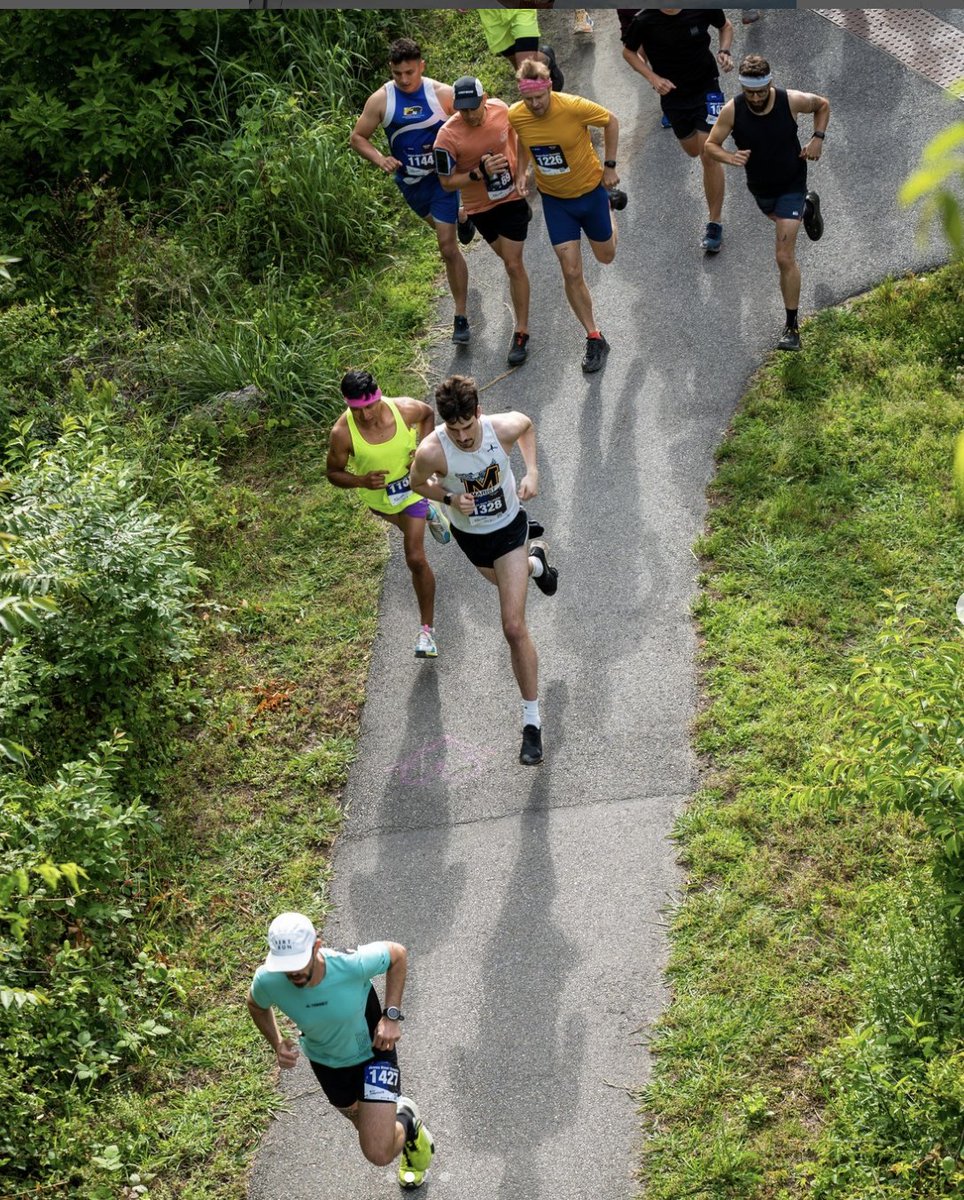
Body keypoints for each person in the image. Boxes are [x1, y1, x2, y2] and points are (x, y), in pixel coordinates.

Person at [409, 374, 558, 766]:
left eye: (467, 426)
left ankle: (531, 724)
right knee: (511, 583)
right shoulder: (432, 450)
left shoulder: (499, 429)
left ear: (478, 412)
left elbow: (526, 424)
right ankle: (535, 563)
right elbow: (415, 481)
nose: (463, 437)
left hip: (509, 529)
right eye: (454, 430)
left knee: (512, 625)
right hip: (472, 539)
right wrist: (449, 497)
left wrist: (532, 472)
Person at [247, 912, 436, 1190]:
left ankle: (406, 1120)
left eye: (298, 964)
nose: (293, 974)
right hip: (328, 1065)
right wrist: (276, 1042)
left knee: (378, 1151)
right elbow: (256, 1005)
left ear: (317, 946)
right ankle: (393, 1124)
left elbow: (398, 955)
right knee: (364, 1125)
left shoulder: (350, 964)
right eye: (285, 967)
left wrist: (391, 1016)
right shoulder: (269, 980)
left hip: (375, 1054)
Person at [704, 53, 829, 350]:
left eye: (761, 91)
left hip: (792, 182)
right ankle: (809, 208)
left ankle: (792, 328)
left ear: (770, 83)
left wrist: (817, 138)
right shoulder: (733, 110)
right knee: (780, 217)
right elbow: (710, 145)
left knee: (784, 257)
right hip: (761, 188)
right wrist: (730, 157)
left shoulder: (791, 101)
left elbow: (822, 105)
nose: (756, 98)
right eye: (750, 92)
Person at [350, 38, 470, 345]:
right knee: (442, 229)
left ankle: (460, 317)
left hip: (442, 182)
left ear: (421, 67)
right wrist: (380, 158)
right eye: (397, 73)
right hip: (411, 184)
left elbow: (472, 125)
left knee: (446, 246)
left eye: (410, 72)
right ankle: (461, 215)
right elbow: (358, 138)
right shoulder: (381, 100)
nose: (404, 79)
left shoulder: (442, 94)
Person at [508, 59, 621, 374]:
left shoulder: (573, 107)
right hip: (556, 202)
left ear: (548, 87)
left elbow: (611, 121)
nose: (534, 105)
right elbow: (521, 140)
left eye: (539, 98)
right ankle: (594, 335)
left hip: (590, 193)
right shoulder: (516, 114)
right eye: (528, 99)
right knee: (571, 271)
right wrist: (521, 172)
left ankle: (610, 213)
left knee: (606, 256)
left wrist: (610, 166)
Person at [326, 370, 444, 660]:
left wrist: (422, 449)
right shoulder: (342, 433)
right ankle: (430, 512)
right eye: (356, 409)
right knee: (407, 529)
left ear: (379, 395)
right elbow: (333, 473)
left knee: (415, 558)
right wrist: (361, 481)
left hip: (413, 489)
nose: (365, 415)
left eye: (370, 406)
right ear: (347, 404)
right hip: (379, 500)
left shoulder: (402, 409)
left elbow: (428, 414)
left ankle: (426, 633)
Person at [434, 77, 533, 369]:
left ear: (485, 98)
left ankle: (521, 332)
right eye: (462, 110)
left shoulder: (502, 109)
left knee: (513, 264)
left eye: (474, 108)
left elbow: (520, 136)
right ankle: (468, 221)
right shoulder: (447, 136)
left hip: (511, 197)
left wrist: (522, 172)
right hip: (480, 206)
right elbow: (446, 182)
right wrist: (477, 173)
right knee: (507, 256)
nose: (469, 115)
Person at [621, 9, 734, 252]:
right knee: (693, 150)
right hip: (673, 96)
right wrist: (652, 78)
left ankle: (715, 223)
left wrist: (724, 51)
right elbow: (629, 52)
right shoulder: (644, 19)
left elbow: (725, 26)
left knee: (708, 154)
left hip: (707, 88)